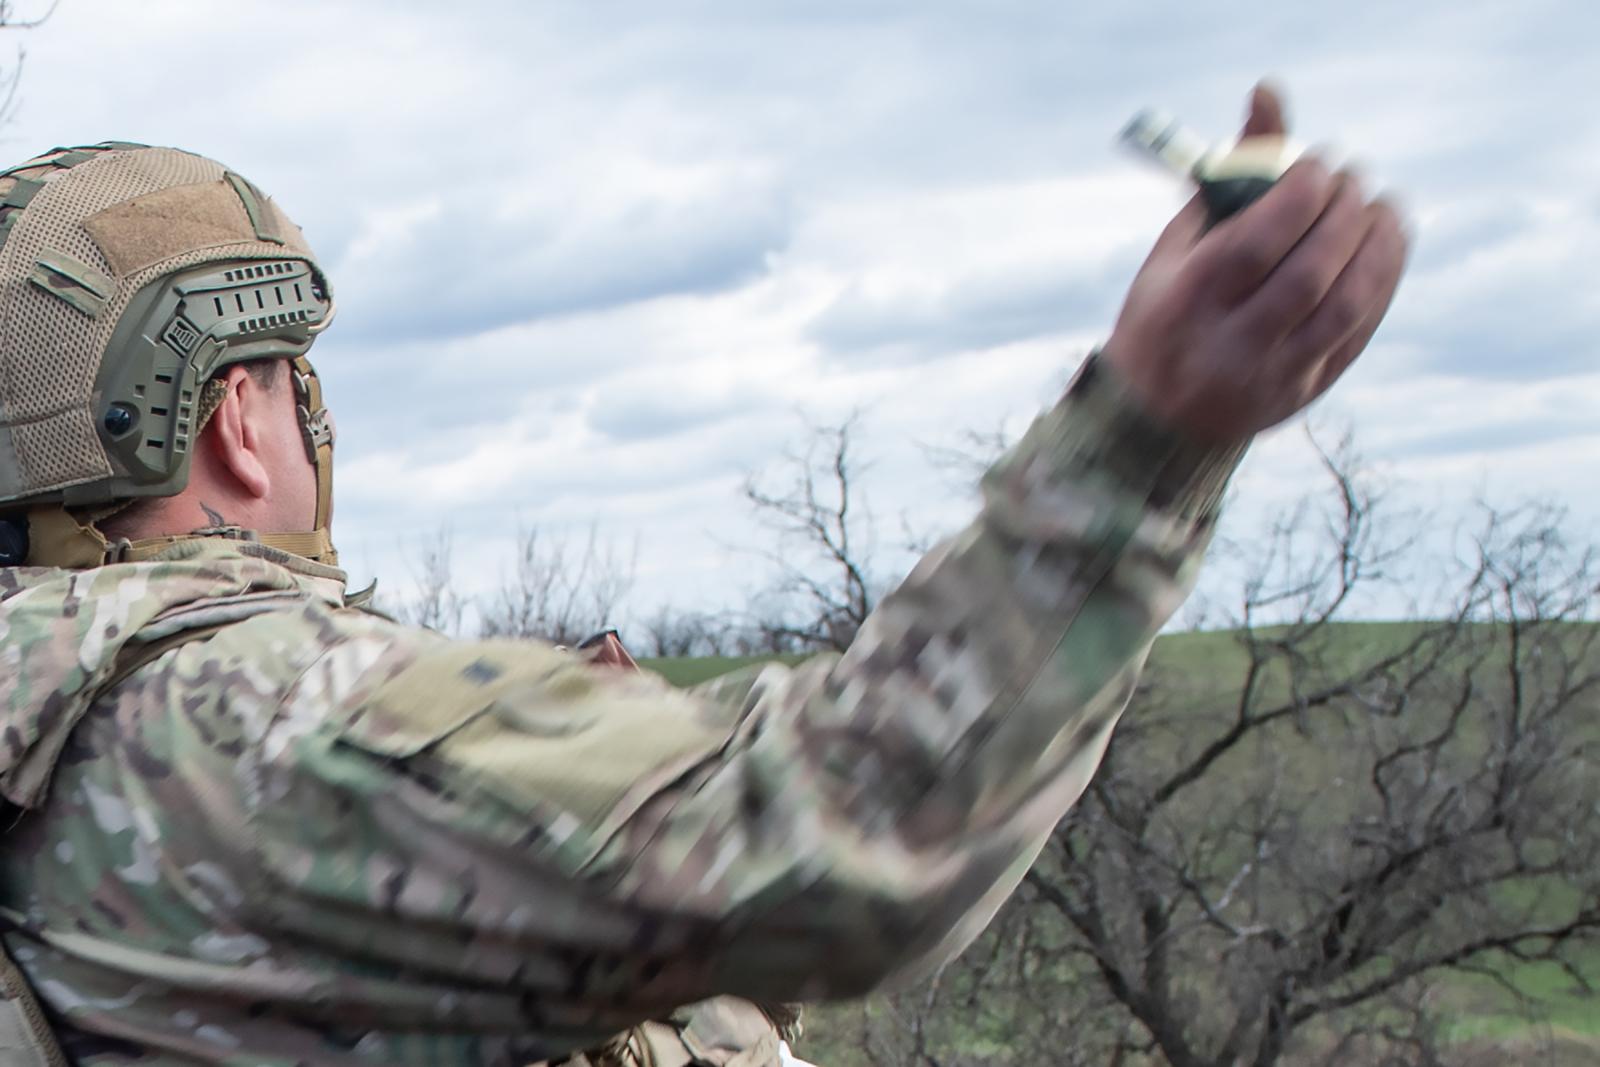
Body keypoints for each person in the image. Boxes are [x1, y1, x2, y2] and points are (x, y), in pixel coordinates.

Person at [0, 84, 1406, 1066]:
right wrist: (1157, 436)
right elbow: (850, 828)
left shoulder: (48, 716)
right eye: (294, 389)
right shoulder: (236, 722)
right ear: (238, 415)